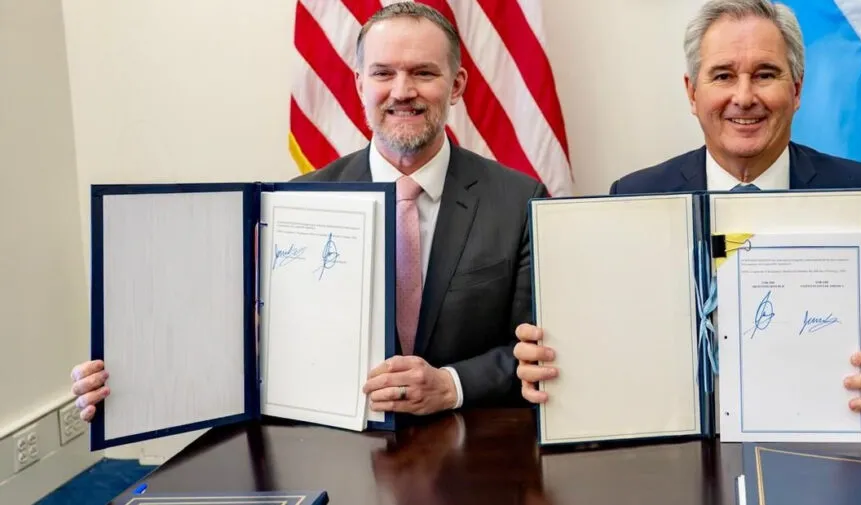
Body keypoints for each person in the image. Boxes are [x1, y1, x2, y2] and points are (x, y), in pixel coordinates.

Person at [70, 2, 545, 422]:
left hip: (473, 439)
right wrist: (130, 381)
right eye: (382, 73)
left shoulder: (518, 200)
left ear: (456, 85)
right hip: (332, 444)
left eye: (423, 73)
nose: (402, 91)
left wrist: (451, 385)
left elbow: (537, 349)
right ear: (359, 83)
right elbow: (248, 343)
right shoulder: (296, 203)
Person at [514, 0, 861, 432]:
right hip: (679, 446)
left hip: (822, 440)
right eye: (723, 75)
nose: (744, 97)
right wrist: (561, 362)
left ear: (796, 90)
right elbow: (610, 329)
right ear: (692, 92)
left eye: (765, 75)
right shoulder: (635, 197)